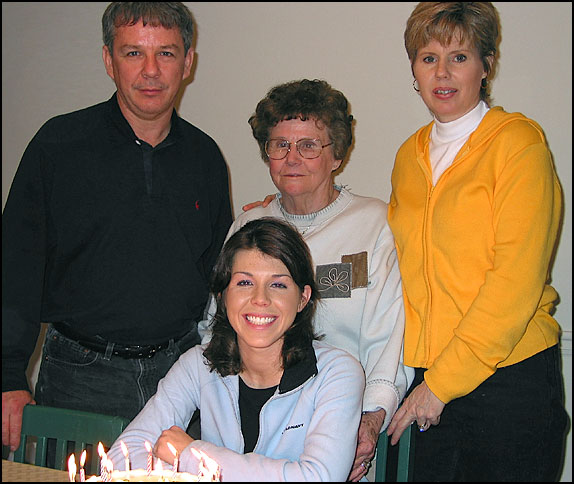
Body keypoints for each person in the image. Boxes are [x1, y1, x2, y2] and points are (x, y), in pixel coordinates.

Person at [2, 2, 232, 454]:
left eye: (166, 53)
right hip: (79, 377)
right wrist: (8, 375)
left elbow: (219, 275)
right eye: (133, 53)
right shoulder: (58, 145)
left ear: (188, 63)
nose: (150, 71)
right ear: (108, 60)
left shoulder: (205, 157)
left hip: (181, 378)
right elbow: (15, 267)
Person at [385, 2, 568, 482]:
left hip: (509, 381)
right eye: (428, 58)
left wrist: (440, 386)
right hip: (431, 379)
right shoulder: (409, 156)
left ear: (486, 65)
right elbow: (395, 256)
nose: (442, 73)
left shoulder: (518, 145)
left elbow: (515, 282)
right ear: (413, 69)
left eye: (459, 57)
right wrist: (290, 210)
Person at [201, 78, 414, 481]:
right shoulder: (249, 225)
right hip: (251, 435)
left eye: (309, 145)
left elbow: (390, 340)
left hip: (342, 433)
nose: (292, 158)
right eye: (279, 144)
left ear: (337, 155)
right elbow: (215, 328)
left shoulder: (374, 225)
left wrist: (367, 424)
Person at [106, 217, 365, 481]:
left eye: (278, 284)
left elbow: (319, 478)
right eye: (244, 283)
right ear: (222, 296)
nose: (260, 299)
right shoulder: (198, 364)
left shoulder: (337, 373)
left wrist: (193, 456)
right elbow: (122, 458)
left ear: (302, 298)